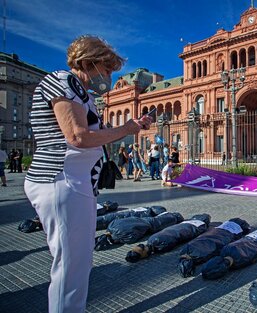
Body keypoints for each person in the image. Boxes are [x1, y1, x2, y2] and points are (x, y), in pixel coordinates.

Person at [23, 35, 152, 313]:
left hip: (74, 182)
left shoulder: (83, 94)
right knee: (71, 265)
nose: (107, 76)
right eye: (106, 70)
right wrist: (126, 130)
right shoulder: (62, 81)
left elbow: (94, 136)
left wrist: (132, 126)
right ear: (87, 62)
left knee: (78, 262)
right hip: (61, 180)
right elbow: (78, 137)